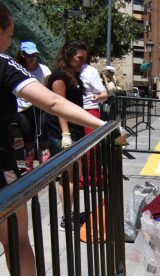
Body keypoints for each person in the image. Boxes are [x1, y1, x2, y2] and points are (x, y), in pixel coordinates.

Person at [0, 1, 119, 276]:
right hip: (1, 165)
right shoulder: (6, 65)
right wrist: (102, 127)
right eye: (9, 33)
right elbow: (52, 102)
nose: (10, 40)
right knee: (15, 238)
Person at [46, 40, 89, 231]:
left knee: (72, 175)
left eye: (84, 59)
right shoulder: (60, 77)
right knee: (68, 177)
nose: (82, 62)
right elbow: (59, 107)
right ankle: (66, 217)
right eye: (79, 58)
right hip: (63, 132)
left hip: (74, 132)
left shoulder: (73, 76)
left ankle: (70, 213)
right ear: (69, 56)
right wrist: (65, 134)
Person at [14, 41, 50, 172]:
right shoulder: (17, 69)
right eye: (30, 55)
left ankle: (45, 168)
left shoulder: (44, 70)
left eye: (35, 55)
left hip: (40, 107)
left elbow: (48, 89)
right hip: (23, 108)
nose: (33, 58)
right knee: (28, 138)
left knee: (43, 136)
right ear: (23, 55)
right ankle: (30, 169)